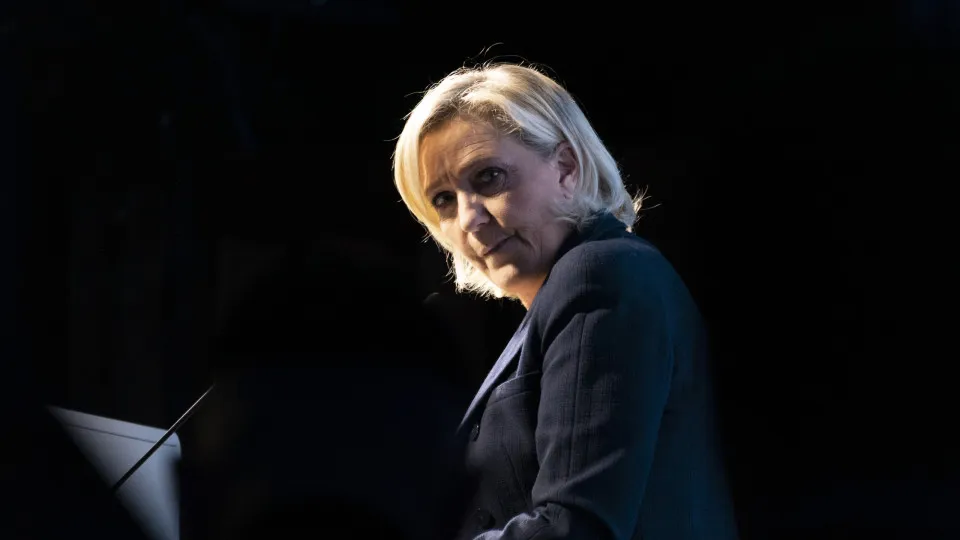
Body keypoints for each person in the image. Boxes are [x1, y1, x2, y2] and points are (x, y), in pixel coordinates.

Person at [391, 63, 739, 540]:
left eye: (488, 177)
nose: (468, 220)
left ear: (566, 168)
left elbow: (574, 526)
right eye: (443, 200)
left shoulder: (597, 273)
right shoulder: (577, 286)